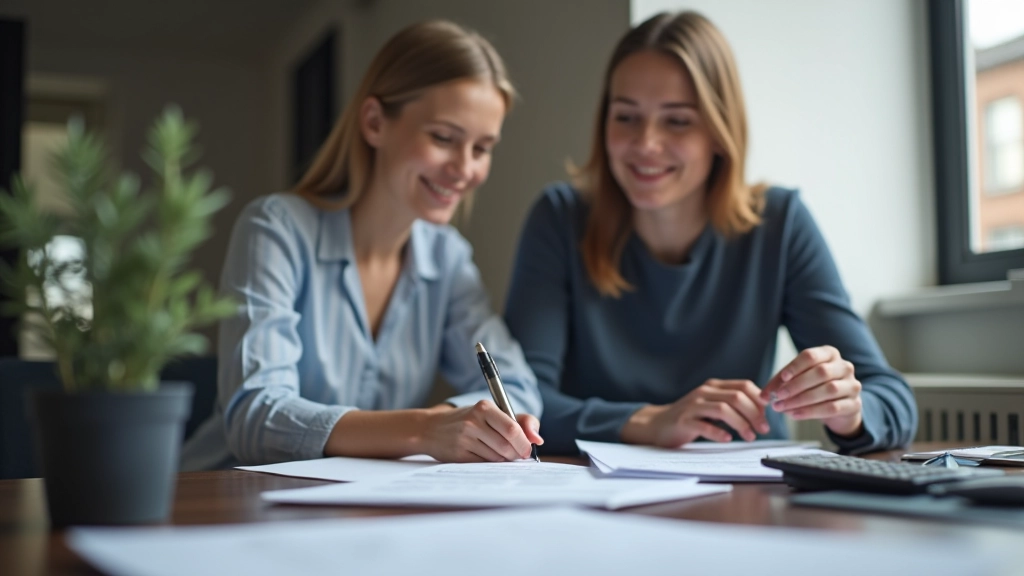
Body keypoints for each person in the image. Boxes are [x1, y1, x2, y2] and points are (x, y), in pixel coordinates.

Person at [503, 11, 916, 455]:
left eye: (677, 120)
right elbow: (521, 404)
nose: (645, 143)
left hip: (750, 486)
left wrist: (848, 410)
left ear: (720, 131)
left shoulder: (780, 224)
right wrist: (649, 421)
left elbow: (893, 400)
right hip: (592, 486)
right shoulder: (560, 219)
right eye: (625, 116)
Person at [182, 20, 543, 470]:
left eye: (482, 148)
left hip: (354, 502)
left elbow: (519, 387)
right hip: (220, 493)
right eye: (443, 138)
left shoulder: (447, 258)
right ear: (374, 123)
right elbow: (255, 415)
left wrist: (466, 424)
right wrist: (425, 429)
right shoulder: (276, 228)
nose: (465, 169)